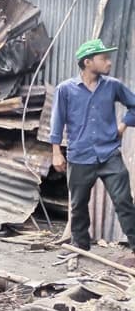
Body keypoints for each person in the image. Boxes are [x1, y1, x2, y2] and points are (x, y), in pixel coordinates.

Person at [50, 38, 135, 257]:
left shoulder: (113, 86)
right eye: (104, 58)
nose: (109, 62)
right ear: (88, 62)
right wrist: (56, 152)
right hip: (80, 155)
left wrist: (123, 125)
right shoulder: (66, 90)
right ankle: (81, 246)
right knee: (78, 205)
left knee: (124, 202)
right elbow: (57, 121)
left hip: (109, 155)